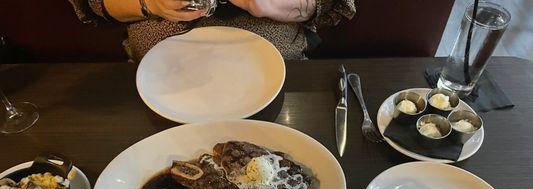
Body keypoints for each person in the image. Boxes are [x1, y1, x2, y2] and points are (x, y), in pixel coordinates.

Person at [69, 0, 356, 61]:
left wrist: (270, 4)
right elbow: (97, 5)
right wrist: (150, 4)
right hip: (157, 78)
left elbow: (330, 4)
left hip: (280, 73)